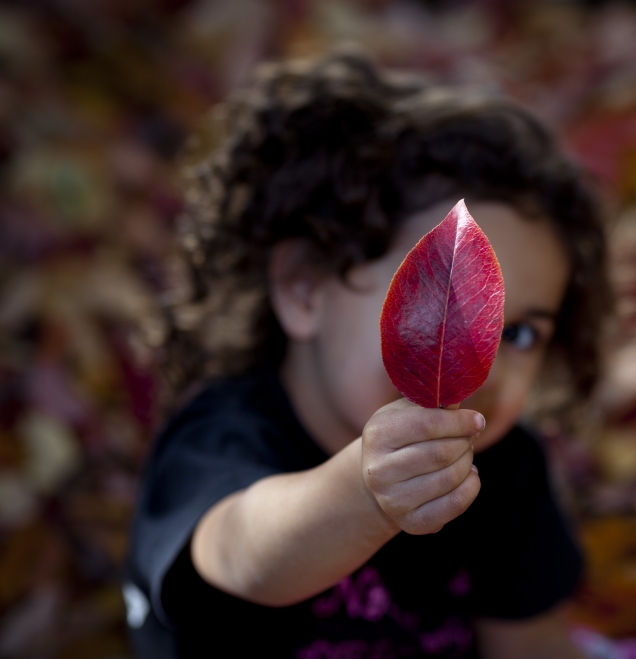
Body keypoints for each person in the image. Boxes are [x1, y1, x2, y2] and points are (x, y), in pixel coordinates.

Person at [125, 51, 610, 659]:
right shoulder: (221, 438)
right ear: (305, 287)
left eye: (517, 335)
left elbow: (527, 640)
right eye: (443, 311)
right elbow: (243, 554)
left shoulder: (504, 469)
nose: (477, 359)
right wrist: (363, 492)